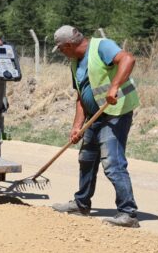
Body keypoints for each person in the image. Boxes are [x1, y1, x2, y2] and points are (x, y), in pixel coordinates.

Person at [50, 25, 141, 228]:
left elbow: (128, 59)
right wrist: (76, 126)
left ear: (69, 44)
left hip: (115, 113)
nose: (62, 54)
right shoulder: (74, 63)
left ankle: (128, 213)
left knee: (113, 163)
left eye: (62, 49)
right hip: (94, 115)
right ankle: (81, 204)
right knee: (86, 159)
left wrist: (114, 86)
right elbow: (81, 97)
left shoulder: (101, 47)